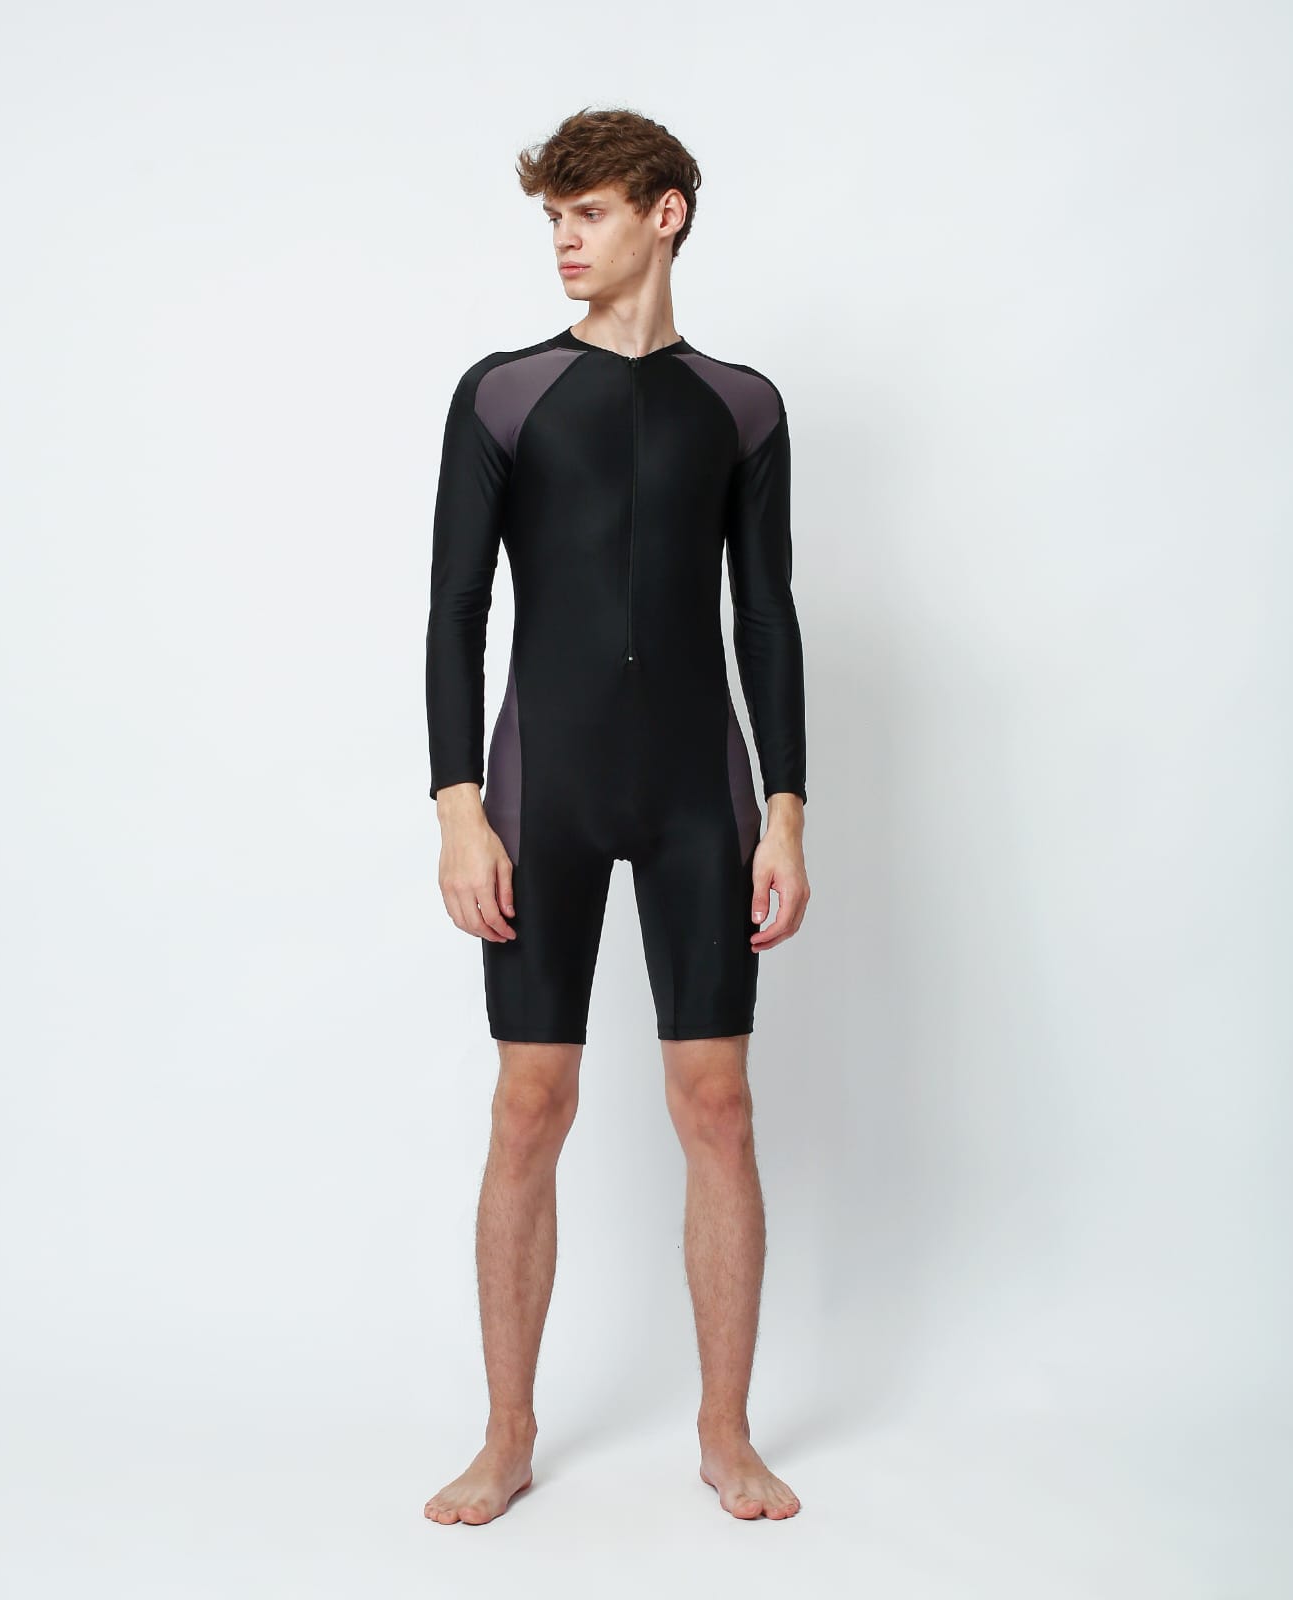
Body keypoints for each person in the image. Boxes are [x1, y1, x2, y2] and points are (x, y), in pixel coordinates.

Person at [423, 107, 810, 1526]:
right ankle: (507, 1434)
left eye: (587, 212)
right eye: (553, 218)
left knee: (718, 1104)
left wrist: (787, 810)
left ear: (666, 214)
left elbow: (764, 616)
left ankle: (725, 1433)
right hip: (548, 791)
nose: (565, 240)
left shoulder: (742, 406)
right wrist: (459, 808)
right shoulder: (505, 394)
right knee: (532, 1103)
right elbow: (455, 611)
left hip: (700, 790)